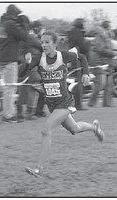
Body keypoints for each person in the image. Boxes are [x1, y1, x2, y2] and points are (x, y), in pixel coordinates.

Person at [24, 31, 105, 177]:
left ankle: (39, 169)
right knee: (74, 129)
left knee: (45, 129)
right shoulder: (38, 58)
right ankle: (94, 128)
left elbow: (82, 58)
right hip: (52, 104)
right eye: (42, 42)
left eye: (47, 42)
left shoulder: (63, 55)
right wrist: (28, 64)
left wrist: (86, 73)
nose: (44, 45)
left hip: (65, 102)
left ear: (55, 44)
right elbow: (26, 72)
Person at [0, 4, 28, 122]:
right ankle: (8, 115)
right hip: (10, 59)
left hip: (2, 59)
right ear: (13, 14)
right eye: (17, 15)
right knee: (10, 88)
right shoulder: (10, 24)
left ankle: (5, 112)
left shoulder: (2, 24)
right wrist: (24, 24)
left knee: (6, 89)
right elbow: (24, 36)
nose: (18, 17)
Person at [88, 20, 116, 107]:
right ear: (106, 27)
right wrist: (111, 53)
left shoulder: (106, 36)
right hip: (100, 62)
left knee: (109, 83)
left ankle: (107, 103)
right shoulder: (100, 35)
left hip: (107, 61)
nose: (111, 28)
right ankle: (91, 102)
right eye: (110, 26)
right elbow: (100, 49)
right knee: (101, 84)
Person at [68, 18, 90, 110]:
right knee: (79, 83)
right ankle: (78, 104)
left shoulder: (72, 33)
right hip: (78, 58)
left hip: (73, 57)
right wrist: (87, 47)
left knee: (76, 81)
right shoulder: (79, 33)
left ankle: (75, 103)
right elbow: (82, 47)